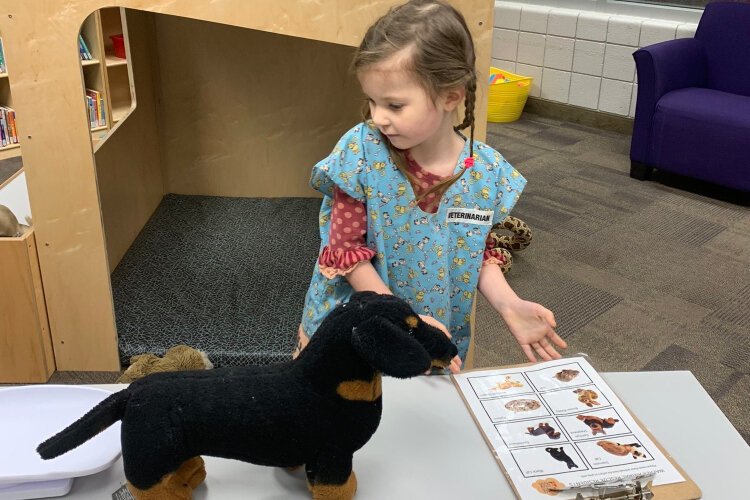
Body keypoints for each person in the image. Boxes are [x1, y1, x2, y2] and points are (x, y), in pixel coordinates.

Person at [297, 0, 566, 372]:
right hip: (358, 327)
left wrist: (509, 303)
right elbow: (345, 250)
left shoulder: (485, 173)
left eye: (394, 104)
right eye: (372, 101)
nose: (378, 118)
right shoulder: (361, 151)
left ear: (450, 96)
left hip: (432, 332)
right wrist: (407, 321)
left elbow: (475, 250)